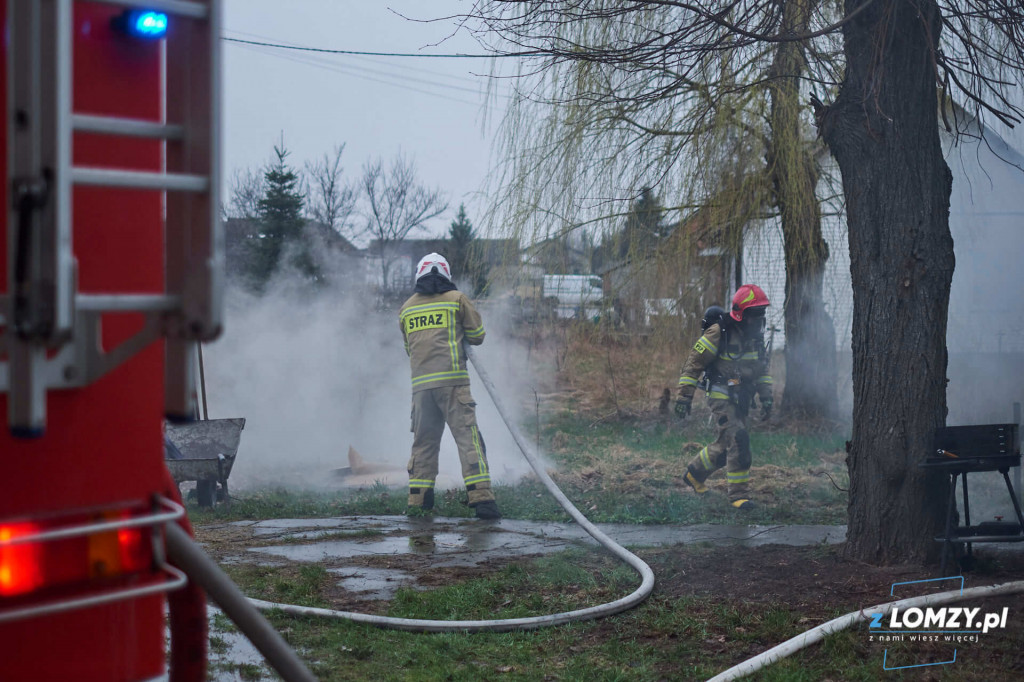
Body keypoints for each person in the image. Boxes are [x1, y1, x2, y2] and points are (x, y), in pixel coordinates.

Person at [399, 253, 501, 520]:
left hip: (421, 390)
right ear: (446, 275)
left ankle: (418, 502)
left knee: (423, 444)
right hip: (454, 384)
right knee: (468, 440)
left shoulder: (407, 308)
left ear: (419, 275)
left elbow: (409, 348)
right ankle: (482, 501)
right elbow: (477, 336)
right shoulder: (457, 300)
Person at [675, 284, 774, 510]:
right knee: (739, 439)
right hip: (721, 394)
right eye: (754, 316)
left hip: (743, 398)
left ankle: (694, 474)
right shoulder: (719, 332)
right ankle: (739, 496)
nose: (758, 321)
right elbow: (693, 364)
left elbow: (762, 371)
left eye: (761, 315)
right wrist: (684, 398)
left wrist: (767, 397)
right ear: (741, 314)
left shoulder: (756, 338)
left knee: (726, 446)